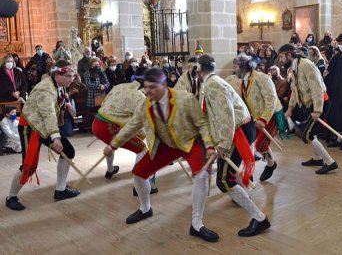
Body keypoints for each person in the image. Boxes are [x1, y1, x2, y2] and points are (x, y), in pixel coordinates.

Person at [103, 67, 219, 242]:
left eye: (152, 87)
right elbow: (132, 126)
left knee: (201, 175)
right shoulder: (144, 104)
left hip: (189, 142)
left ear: (164, 85)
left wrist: (209, 145)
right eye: (146, 87)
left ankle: (197, 224)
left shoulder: (186, 99)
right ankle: (145, 208)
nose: (148, 91)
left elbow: (202, 124)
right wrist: (113, 144)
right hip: (165, 145)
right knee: (139, 173)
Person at [197, 54, 271, 237]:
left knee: (224, 181)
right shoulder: (213, 82)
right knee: (228, 178)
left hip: (237, 131)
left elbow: (226, 115)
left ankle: (259, 218)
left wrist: (223, 145)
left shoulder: (213, 85)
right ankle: (251, 205)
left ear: (199, 69)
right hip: (238, 129)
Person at [5, 60, 81, 211]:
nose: (71, 79)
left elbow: (53, 111)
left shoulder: (58, 85)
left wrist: (67, 104)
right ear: (58, 74)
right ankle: (11, 197)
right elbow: (48, 115)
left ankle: (60, 190)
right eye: (69, 76)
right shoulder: (45, 89)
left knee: (68, 152)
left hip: (44, 126)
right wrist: (56, 138)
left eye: (73, 76)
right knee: (29, 166)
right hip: (30, 127)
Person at [279, 43, 338, 174]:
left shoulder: (306, 65)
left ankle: (330, 162)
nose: (281, 60)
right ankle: (317, 159)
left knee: (308, 135)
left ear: (290, 55)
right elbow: (295, 90)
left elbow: (317, 87)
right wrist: (290, 108)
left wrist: (317, 110)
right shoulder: (295, 67)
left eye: (282, 57)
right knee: (312, 134)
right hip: (309, 104)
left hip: (321, 102)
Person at [230, 54, 281, 181]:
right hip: (255, 118)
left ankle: (271, 165)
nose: (234, 70)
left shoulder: (261, 77)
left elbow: (271, 98)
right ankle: (250, 172)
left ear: (242, 66)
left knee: (260, 146)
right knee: (249, 143)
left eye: (235, 67)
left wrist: (264, 119)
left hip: (271, 114)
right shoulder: (242, 81)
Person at [93, 80, 147, 179]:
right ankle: (139, 181)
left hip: (97, 122)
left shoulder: (119, 85)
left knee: (111, 145)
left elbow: (104, 103)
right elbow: (140, 121)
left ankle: (110, 170)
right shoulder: (140, 96)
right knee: (142, 149)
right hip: (110, 127)